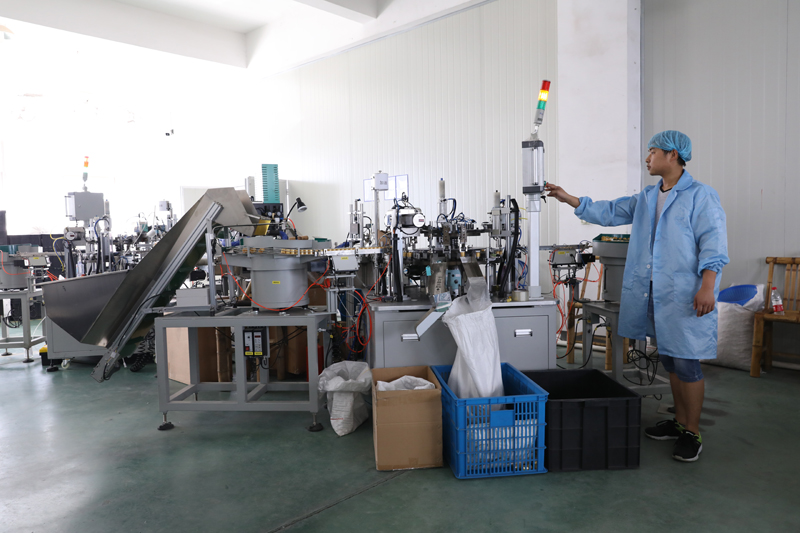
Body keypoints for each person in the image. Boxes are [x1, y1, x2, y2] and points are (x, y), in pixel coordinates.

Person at [544, 130, 728, 462]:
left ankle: (692, 431)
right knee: (670, 358)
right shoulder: (648, 196)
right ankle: (679, 421)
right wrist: (568, 198)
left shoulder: (700, 195)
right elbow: (610, 211)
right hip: (654, 291)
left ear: (672, 155)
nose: (647, 158)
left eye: (652, 151)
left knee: (687, 361)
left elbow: (713, 242)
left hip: (685, 292)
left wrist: (707, 285)